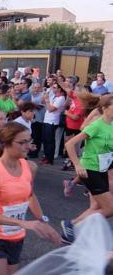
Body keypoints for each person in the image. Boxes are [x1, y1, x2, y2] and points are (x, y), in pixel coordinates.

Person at [0, 122, 61, 274]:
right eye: (22, 142)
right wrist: (24, 223)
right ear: (6, 143)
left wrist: (43, 221)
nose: (29, 146)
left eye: (30, 141)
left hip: (16, 237)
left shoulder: (30, 167)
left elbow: (30, 195)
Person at [60, 95, 113, 244]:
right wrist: (77, 164)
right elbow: (70, 144)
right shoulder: (97, 125)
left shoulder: (111, 125)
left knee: (97, 206)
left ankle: (75, 229)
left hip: (102, 169)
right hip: (90, 169)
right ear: (104, 108)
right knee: (109, 208)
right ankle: (72, 225)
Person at [41, 83, 66, 165]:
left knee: (50, 140)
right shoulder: (54, 96)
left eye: (55, 87)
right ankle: (46, 156)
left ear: (59, 89)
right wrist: (44, 95)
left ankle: (50, 158)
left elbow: (51, 109)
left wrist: (47, 100)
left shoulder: (61, 98)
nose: (53, 89)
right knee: (45, 139)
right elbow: (43, 102)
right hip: (46, 120)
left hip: (52, 121)